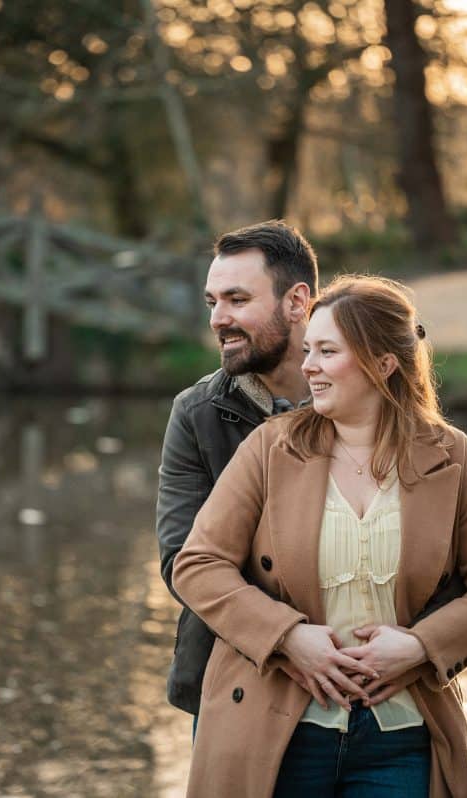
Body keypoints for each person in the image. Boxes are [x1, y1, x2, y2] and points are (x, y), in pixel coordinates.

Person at [172, 275, 467, 797]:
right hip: (277, 727)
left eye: (327, 351)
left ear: (382, 364)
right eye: (308, 349)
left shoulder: (452, 458)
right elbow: (198, 564)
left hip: (401, 739)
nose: (308, 365)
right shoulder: (269, 449)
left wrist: (419, 647)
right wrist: (289, 638)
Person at [156, 220, 319, 720]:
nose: (218, 319)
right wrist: (288, 636)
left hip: (359, 679)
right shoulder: (196, 413)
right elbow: (181, 561)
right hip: (231, 680)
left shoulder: (367, 400)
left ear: (296, 302)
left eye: (236, 300)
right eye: (212, 303)